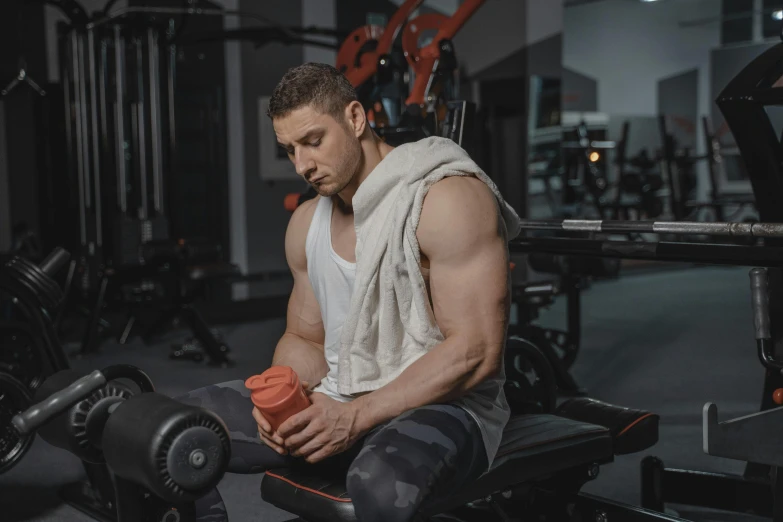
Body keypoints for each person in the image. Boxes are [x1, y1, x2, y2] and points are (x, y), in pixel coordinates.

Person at [178, 62, 521, 522]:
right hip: (338, 396)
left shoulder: (446, 200)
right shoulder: (305, 224)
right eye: (289, 150)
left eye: (313, 142)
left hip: (444, 406)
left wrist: (356, 418)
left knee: (378, 483)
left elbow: (475, 352)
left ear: (355, 119)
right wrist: (283, 399)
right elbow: (305, 340)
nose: (302, 166)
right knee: (171, 432)